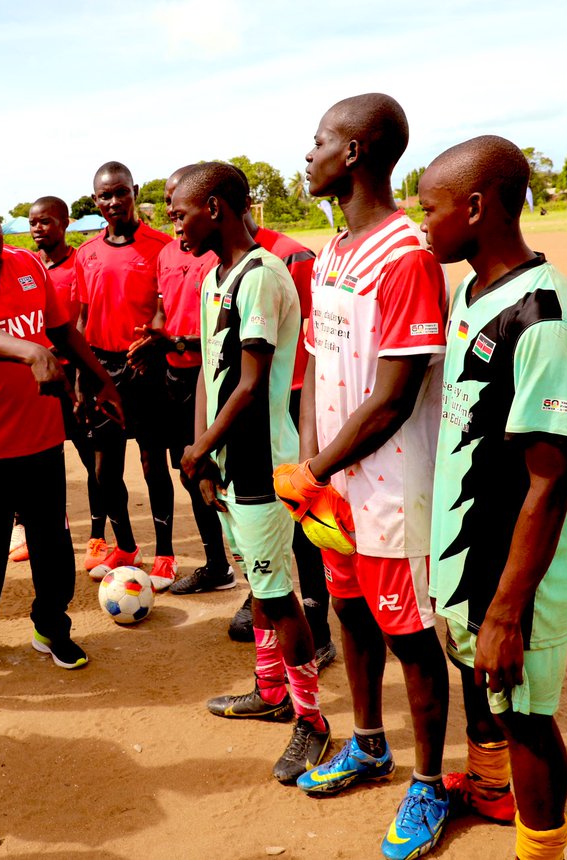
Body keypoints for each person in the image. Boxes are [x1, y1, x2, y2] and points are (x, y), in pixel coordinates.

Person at [278, 94, 451, 860]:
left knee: (408, 634)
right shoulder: (337, 251)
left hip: (392, 491)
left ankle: (429, 783)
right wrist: (315, 466)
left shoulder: (406, 254)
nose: (305, 155)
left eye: (317, 142)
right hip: (336, 485)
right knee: (348, 613)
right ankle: (369, 743)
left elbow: (395, 397)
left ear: (352, 154)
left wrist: (315, 466)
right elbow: (317, 364)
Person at [421, 135, 567, 860]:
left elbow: (550, 481)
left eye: (426, 206)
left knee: (527, 717)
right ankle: (486, 790)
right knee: (494, 702)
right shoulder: (472, 291)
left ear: (475, 206)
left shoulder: (544, 320)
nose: (418, 219)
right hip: (472, 558)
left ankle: (541, 853)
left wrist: (505, 612)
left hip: (514, 582)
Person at [0, 185, 122, 680]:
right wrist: (29, 353)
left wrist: (102, 382)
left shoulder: (27, 265)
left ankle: (52, 627)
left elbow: (61, 332)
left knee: (52, 546)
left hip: (40, 439)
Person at [173, 162, 330, 785]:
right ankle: (270, 692)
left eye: (179, 209)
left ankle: (312, 723)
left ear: (214, 206)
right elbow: (211, 379)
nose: (173, 222)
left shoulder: (262, 276)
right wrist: (203, 454)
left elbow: (253, 382)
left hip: (263, 467)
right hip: (229, 464)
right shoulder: (219, 275)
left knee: (275, 594)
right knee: (258, 584)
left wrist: (200, 448)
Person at [226, 172, 335, 671]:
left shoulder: (289, 258)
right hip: (244, 408)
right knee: (253, 521)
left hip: (289, 402)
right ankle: (266, 599)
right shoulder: (215, 265)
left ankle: (316, 617)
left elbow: (320, 338)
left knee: (299, 510)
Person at [127, 165, 232, 595]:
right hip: (175, 380)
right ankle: (216, 564)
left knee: (227, 476)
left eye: (177, 201)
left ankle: (257, 578)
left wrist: (176, 340)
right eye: (168, 201)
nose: (172, 209)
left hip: (214, 379)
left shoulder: (218, 255)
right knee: (192, 473)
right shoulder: (168, 254)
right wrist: (153, 338)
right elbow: (163, 309)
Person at [73, 161, 176, 590]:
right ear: (95, 200)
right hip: (100, 368)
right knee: (105, 469)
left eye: (120, 193)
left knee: (153, 462)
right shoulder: (87, 253)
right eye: (104, 196)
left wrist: (156, 333)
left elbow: (165, 305)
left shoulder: (161, 247)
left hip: (144, 369)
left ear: (134, 191)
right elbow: (80, 319)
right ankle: (127, 546)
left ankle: (166, 554)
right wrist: (81, 376)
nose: (113, 202)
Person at [21, 195, 107, 568]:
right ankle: (41, 533)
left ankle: (99, 537)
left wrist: (84, 379)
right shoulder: (28, 270)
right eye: (33, 223)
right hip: (42, 377)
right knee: (40, 463)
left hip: (75, 373)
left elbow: (81, 325)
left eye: (46, 222)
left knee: (92, 460)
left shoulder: (79, 265)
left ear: (65, 223)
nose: (38, 229)